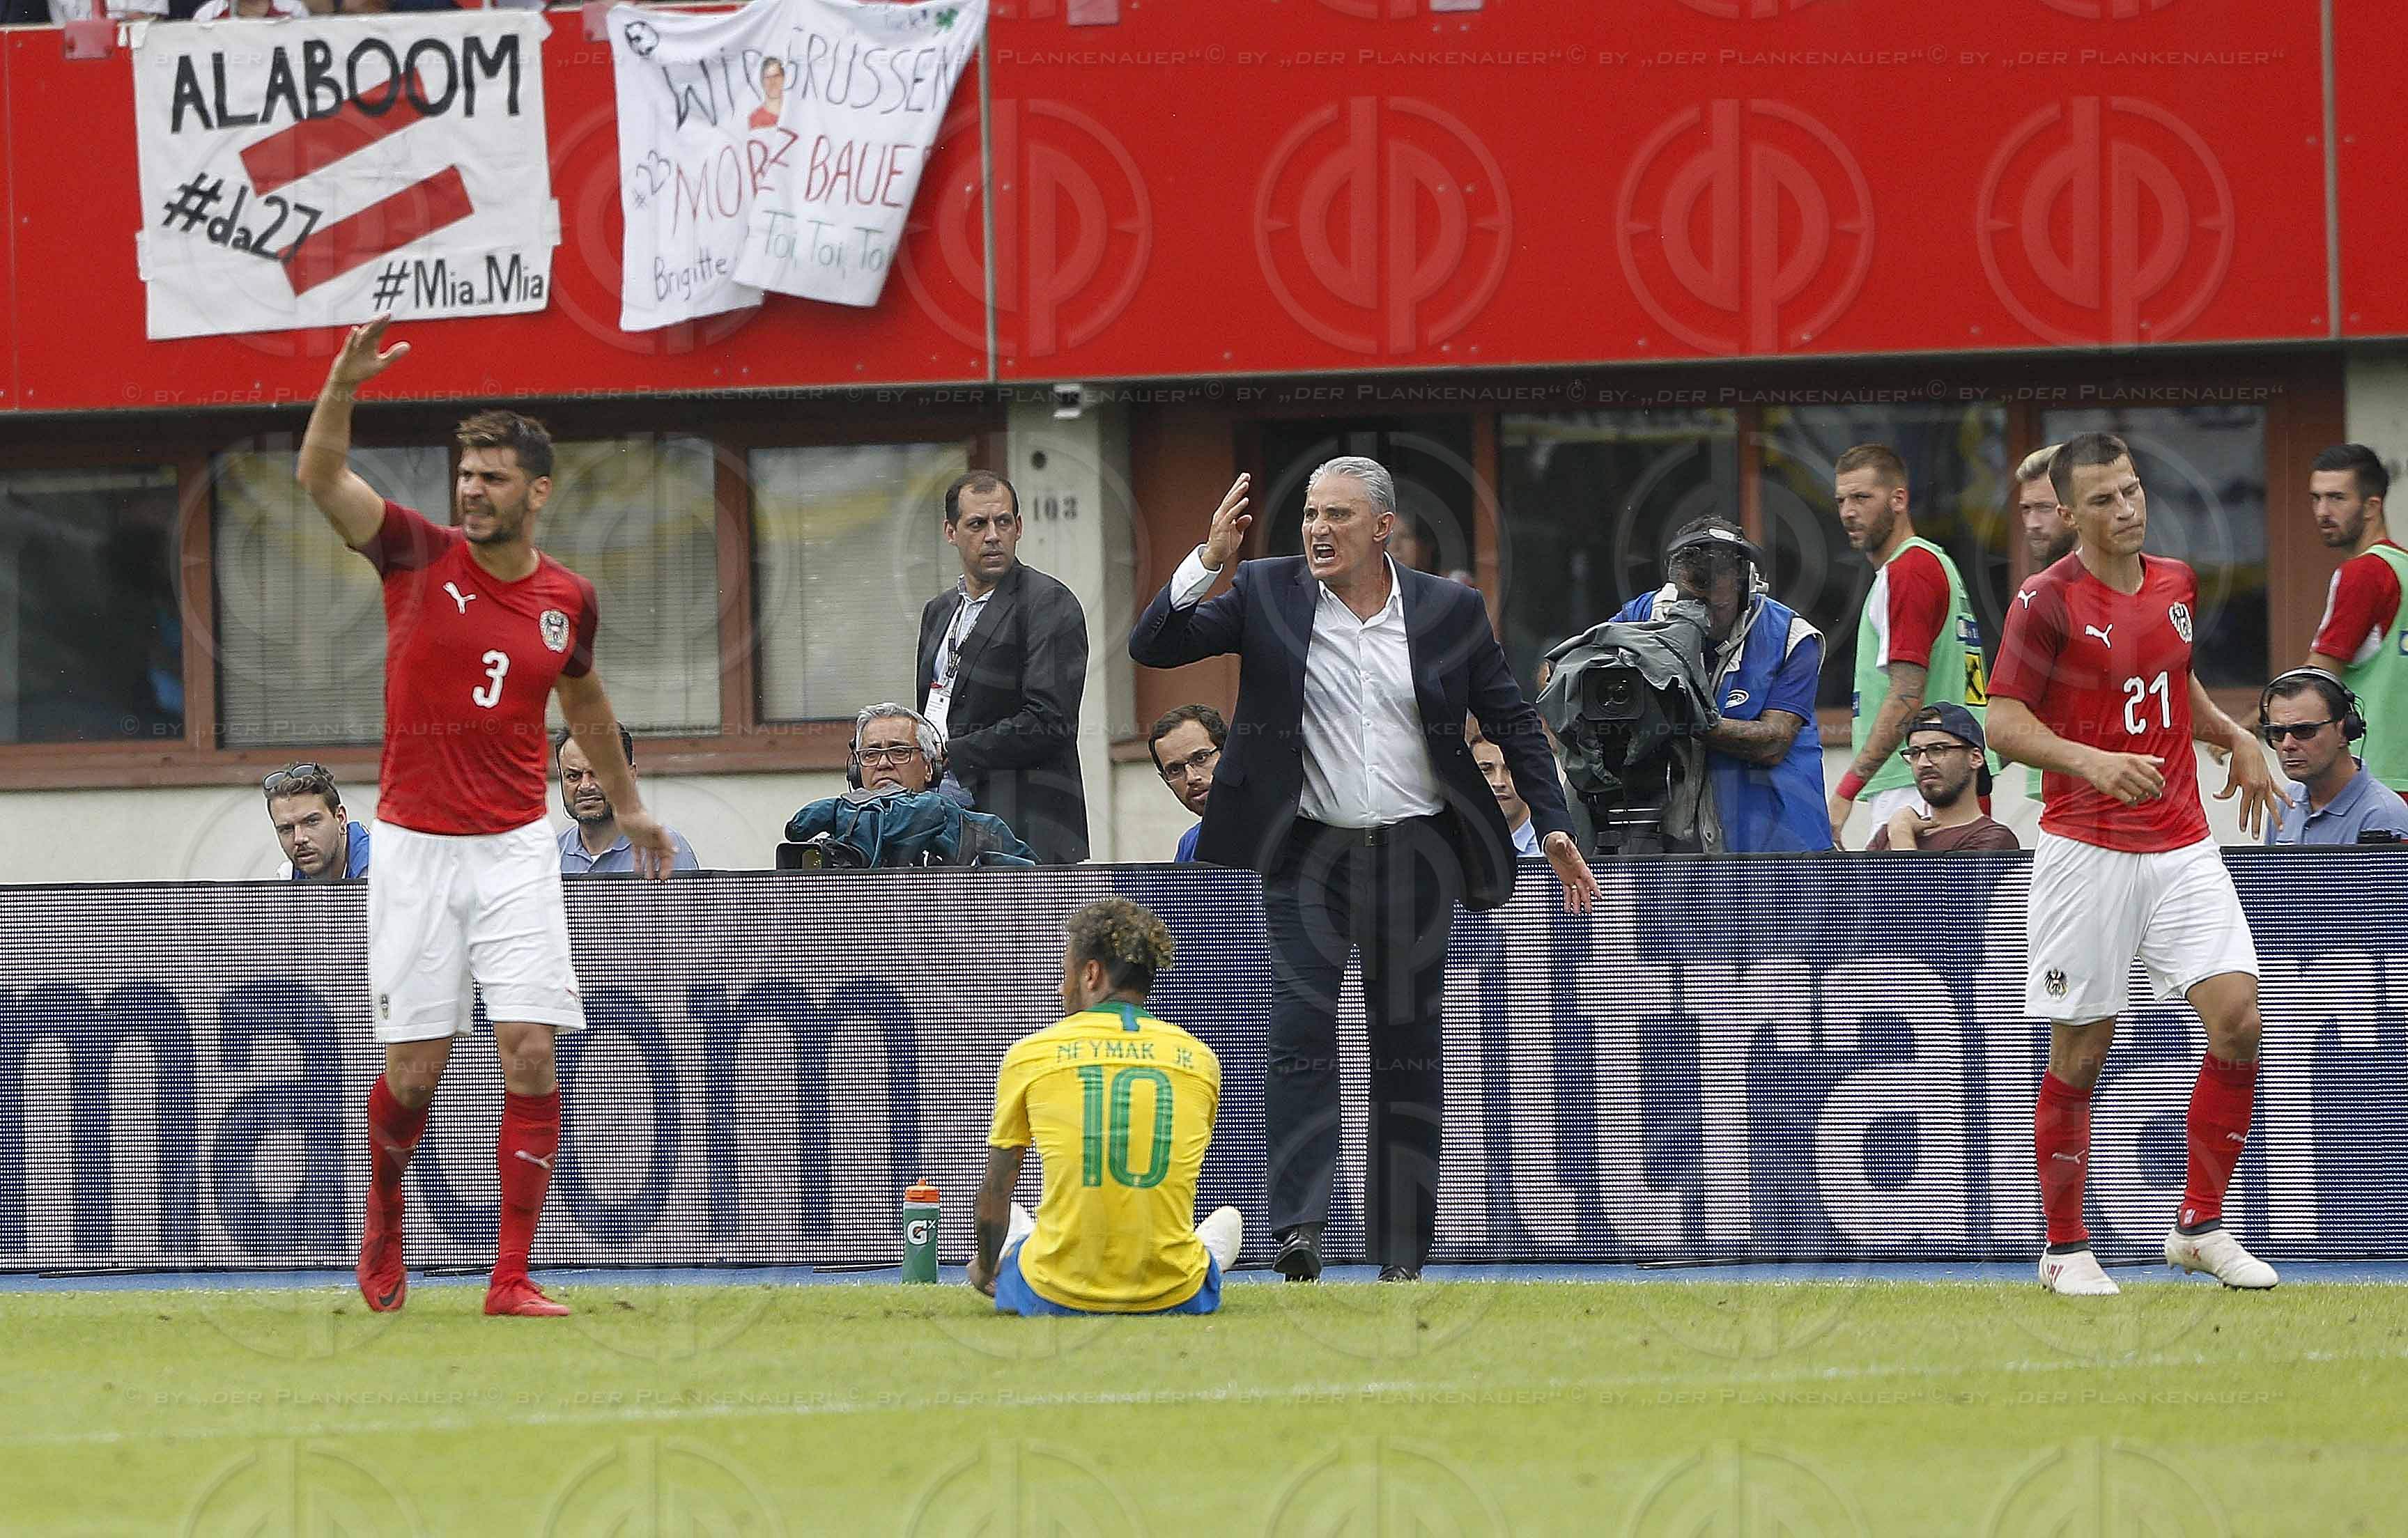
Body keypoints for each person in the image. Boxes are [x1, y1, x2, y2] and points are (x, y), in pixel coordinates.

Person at [1129, 458, 1600, 1283]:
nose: (1318, 529)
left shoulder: (1450, 610)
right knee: (1299, 1037)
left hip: (1419, 854)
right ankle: (1300, 1228)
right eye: (1310, 513)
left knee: (1406, 1050)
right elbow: (1156, 643)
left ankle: (1400, 1252)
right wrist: (1209, 560)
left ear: (1382, 528)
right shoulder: (1269, 591)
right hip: (1308, 851)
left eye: (1338, 516)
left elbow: (1515, 723)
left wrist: (1554, 824)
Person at [298, 315, 676, 1321]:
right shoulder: (414, 555)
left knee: (532, 1050)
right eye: (465, 474)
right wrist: (341, 384)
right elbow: (321, 479)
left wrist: (630, 810)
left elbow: (586, 704)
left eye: (494, 477)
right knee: (416, 1077)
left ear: (537, 491)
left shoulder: (567, 599)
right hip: (416, 848)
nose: (473, 491)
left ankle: (510, 1278)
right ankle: (384, 1213)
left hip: (514, 847)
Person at [1985, 430, 2287, 1297]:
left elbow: (2170, 677)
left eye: (2133, 490)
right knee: (2082, 1049)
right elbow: (2003, 726)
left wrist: (2235, 736)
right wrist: (2090, 762)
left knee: (2239, 1019)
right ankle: (2065, 1248)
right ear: (2070, 514)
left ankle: (2199, 1227)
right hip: (2087, 848)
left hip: (2184, 839)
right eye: (2106, 499)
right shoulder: (2043, 603)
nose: (2127, 508)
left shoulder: (2176, 584)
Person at [969, 899, 1243, 1316]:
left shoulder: (1032, 1053)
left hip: (1054, 1292)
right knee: (1228, 1219)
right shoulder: (1200, 1059)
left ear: (1091, 974)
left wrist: (984, 1269)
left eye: (1064, 974)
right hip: (1172, 1293)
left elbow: (997, 1187)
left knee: (1019, 1227)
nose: (1061, 989)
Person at [1609, 518, 1831, 853]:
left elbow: (1774, 743)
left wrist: (1682, 719)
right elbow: (1555, 671)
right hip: (1677, 839)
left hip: (1777, 841)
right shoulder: (1647, 614)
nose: (1703, 616)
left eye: (1717, 605)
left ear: (1748, 588)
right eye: (1691, 601)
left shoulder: (1793, 639)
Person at [916, 471, 1090, 864]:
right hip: (947, 820)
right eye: (977, 524)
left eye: (1003, 522)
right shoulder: (938, 611)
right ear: (950, 531)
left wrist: (952, 755)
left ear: (1019, 527)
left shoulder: (1048, 603)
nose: (992, 535)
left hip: (1027, 827)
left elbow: (1051, 722)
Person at [1828, 444, 1991, 846]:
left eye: (1862, 497)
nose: (1849, 511)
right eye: (1842, 500)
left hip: (1920, 780)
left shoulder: (1909, 571)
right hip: (1949, 775)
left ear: (1899, 499)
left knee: (1906, 906)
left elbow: (1905, 696)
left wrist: (1845, 791)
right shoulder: (1933, 562)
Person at [782, 704, 1033, 867]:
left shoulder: (981, 832)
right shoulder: (837, 844)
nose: (883, 764)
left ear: (929, 768)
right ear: (856, 771)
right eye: (870, 755)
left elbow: (1037, 906)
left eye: (900, 752)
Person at [2299, 444, 2408, 792]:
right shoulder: (2403, 568)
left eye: (2336, 498)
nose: (2322, 511)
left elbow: (2318, 676)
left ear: (2372, 505)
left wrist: (2245, 727)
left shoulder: (2364, 573)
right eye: (2316, 498)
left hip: (2374, 778)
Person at [2260, 670, 2408, 846]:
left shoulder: (2383, 817)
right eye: (2277, 733)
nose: (2287, 745)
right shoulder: (2286, 803)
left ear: (2344, 731)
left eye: (2304, 731)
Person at [2007, 444, 2076, 807]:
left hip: (2118, 792)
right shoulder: (2039, 592)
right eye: (2025, 509)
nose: (2032, 523)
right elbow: (2014, 705)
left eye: (2044, 509)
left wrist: (2234, 736)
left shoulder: (2120, 585)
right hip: (2060, 792)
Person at [1865, 704, 2018, 853]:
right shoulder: (1887, 834)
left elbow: (1918, 880)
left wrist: (1901, 835)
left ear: (1975, 758)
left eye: (1937, 750)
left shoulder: (1993, 838)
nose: (1923, 763)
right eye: (1914, 753)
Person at [555, 726, 700, 876]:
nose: (585, 786)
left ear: (631, 776)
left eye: (598, 773)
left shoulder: (660, 848)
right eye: (573, 776)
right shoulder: (551, 855)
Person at [265, 761, 372, 880]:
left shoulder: (380, 868)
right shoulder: (288, 875)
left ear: (341, 819)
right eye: (286, 829)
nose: (299, 839)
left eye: (312, 822)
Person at [1146, 704, 1225, 862]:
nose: (1191, 778)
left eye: (1201, 758)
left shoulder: (1279, 830)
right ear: (1166, 781)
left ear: (1228, 754)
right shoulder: (1189, 845)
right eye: (1175, 770)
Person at [1469, 730, 1541, 856]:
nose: (1498, 782)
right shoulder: (1459, 848)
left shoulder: (1554, 848)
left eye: (1510, 769)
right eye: (1486, 770)